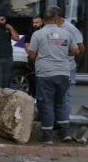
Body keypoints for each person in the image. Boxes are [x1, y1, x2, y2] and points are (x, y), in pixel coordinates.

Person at [27, 8, 79, 144]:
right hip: (63, 73)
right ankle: (65, 132)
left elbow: (32, 54)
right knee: (61, 102)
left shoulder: (38, 34)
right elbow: (75, 50)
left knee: (46, 104)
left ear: (43, 21)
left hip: (45, 73)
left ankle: (48, 135)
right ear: (56, 20)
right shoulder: (66, 34)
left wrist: (41, 58)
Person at [48, 6, 85, 116]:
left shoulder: (70, 29)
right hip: (53, 67)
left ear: (57, 18)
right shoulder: (50, 27)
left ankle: (65, 120)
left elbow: (81, 48)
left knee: (66, 96)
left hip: (67, 67)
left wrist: (69, 54)